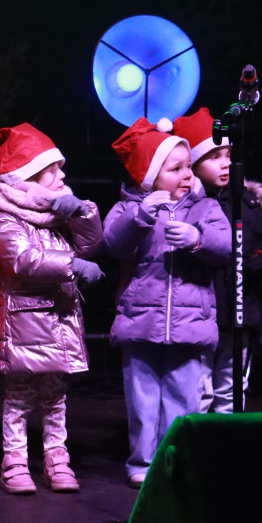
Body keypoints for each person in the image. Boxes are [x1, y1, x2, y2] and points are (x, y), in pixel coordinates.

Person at [103, 117, 230, 489]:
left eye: (188, 166)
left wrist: (196, 239)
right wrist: (142, 219)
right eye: (175, 169)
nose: (187, 175)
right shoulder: (130, 208)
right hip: (141, 321)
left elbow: (223, 247)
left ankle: (177, 458)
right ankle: (142, 460)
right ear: (149, 176)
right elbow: (113, 243)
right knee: (142, 401)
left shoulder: (204, 208)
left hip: (191, 322)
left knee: (184, 397)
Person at [0, 123, 104, 494]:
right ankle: (15, 461)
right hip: (24, 321)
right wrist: (71, 265)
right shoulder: (4, 213)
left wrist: (82, 213)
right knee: (19, 396)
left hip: (59, 320)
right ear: (30, 176)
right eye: (53, 169)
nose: (62, 174)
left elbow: (91, 245)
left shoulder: (56, 212)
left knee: (55, 395)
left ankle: (57, 457)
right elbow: (21, 259)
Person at [175, 108, 262, 413]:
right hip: (202, 312)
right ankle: (199, 447)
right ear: (192, 165)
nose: (224, 164)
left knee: (232, 387)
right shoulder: (188, 205)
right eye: (214, 157)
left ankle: (227, 448)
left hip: (240, 310)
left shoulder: (246, 203)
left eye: (228, 155)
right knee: (199, 387)